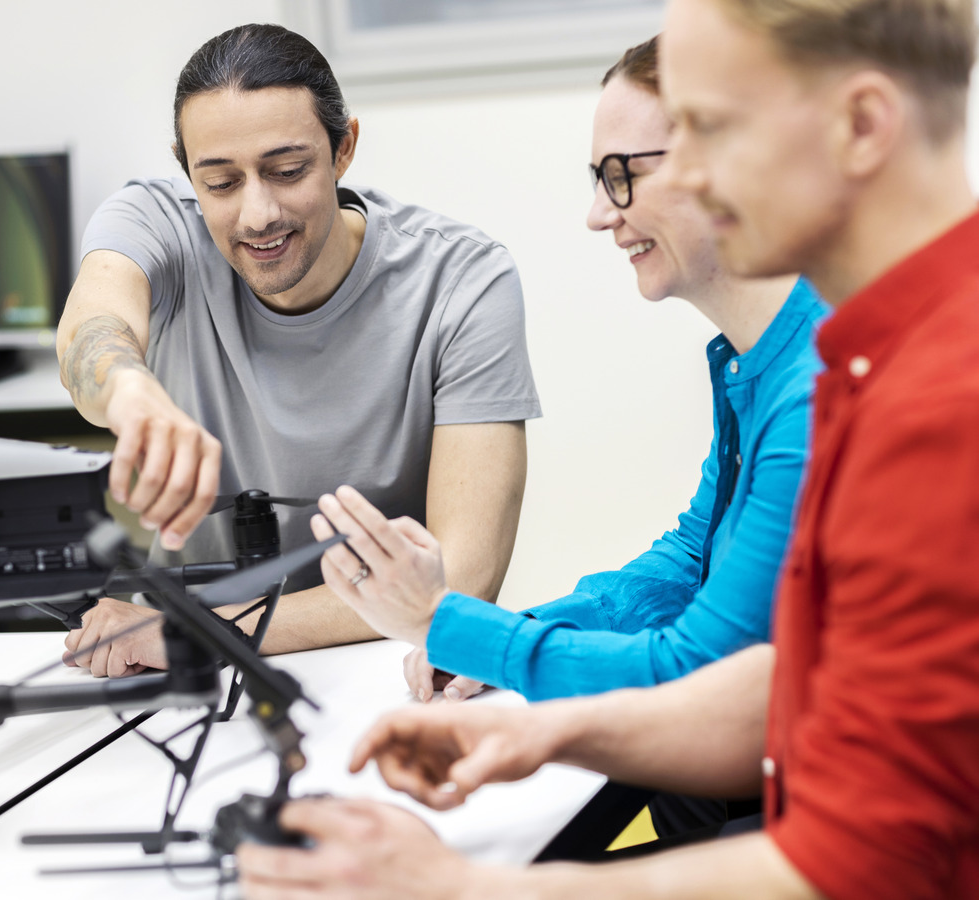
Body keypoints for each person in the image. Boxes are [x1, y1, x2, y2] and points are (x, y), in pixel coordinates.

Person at [235, 0, 979, 897]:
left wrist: (464, 889)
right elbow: (793, 683)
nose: (685, 179)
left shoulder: (937, 406)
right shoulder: (868, 360)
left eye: (707, 130)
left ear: (861, 127)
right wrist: (546, 730)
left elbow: (858, 862)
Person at [56, 24, 538, 676]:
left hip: (375, 666)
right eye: (220, 183)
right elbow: (92, 325)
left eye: (286, 172)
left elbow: (459, 583)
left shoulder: (462, 281)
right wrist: (132, 396)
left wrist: (189, 628)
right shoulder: (155, 222)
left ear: (344, 149)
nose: (257, 214)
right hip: (188, 672)